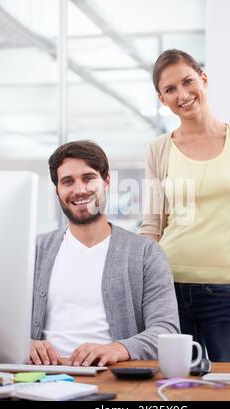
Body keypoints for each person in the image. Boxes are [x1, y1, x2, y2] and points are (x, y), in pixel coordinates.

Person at [140, 49, 230, 362]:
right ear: (162, 98)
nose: (182, 95)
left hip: (223, 294)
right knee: (176, 387)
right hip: (167, 289)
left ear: (204, 79)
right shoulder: (159, 149)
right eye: (170, 90)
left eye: (187, 82)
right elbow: (151, 227)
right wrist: (144, 294)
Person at [30, 140, 180, 367]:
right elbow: (0, 323)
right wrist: (26, 344)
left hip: (112, 375)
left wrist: (120, 348)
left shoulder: (145, 253)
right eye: (68, 181)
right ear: (57, 191)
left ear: (106, 182)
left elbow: (166, 330)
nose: (80, 190)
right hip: (43, 376)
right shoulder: (35, 252)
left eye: (88, 178)